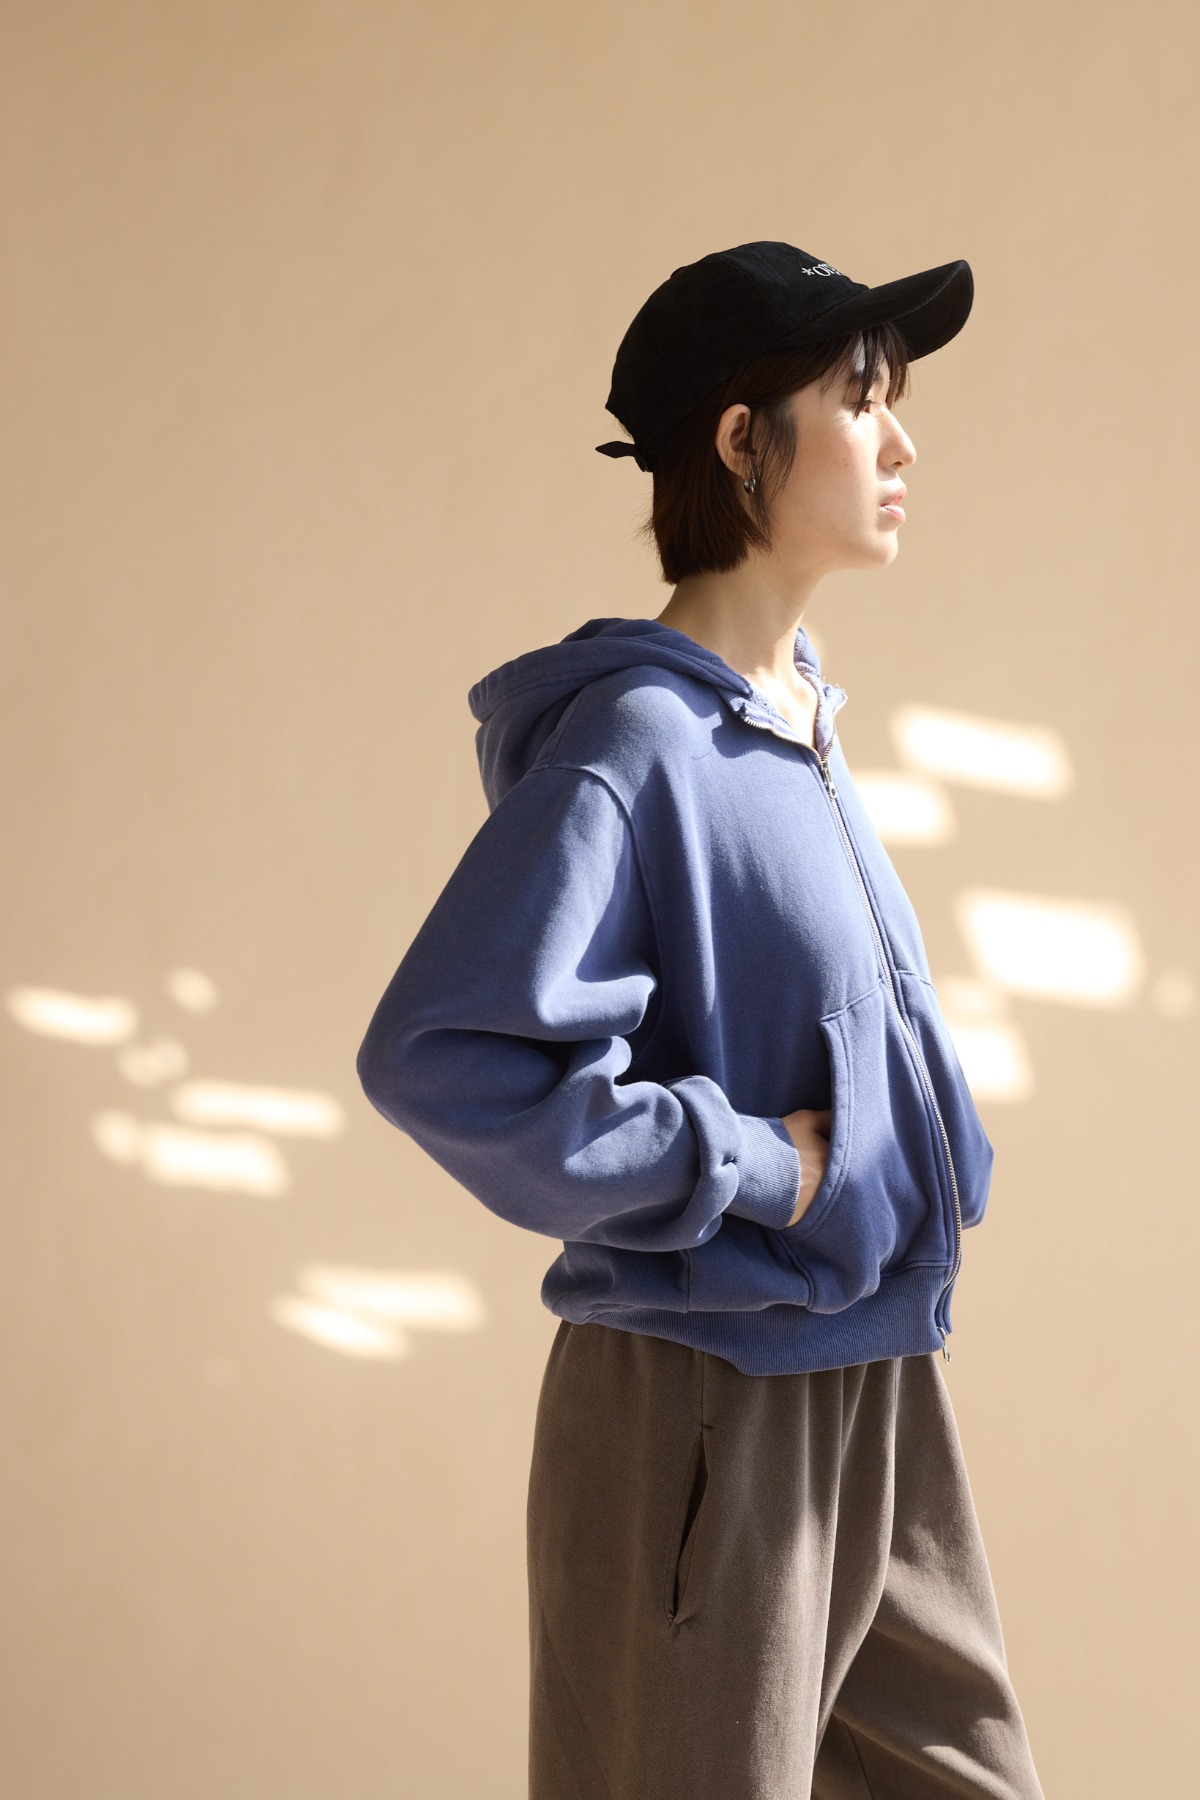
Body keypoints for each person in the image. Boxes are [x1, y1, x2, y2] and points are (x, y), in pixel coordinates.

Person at [357, 241, 1046, 1799]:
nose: (901, 443)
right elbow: (441, 1056)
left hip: (879, 1390)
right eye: (860, 401)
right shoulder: (638, 742)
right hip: (702, 1415)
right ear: (742, 440)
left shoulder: (795, 720)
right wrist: (754, 1166)